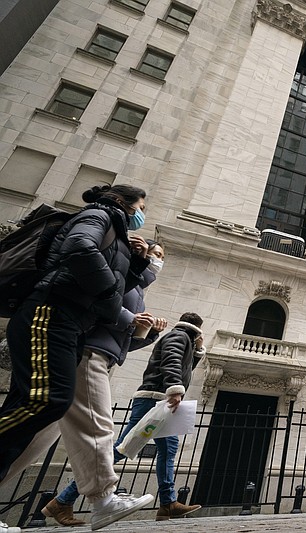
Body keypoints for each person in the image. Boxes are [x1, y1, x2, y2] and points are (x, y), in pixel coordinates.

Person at [0, 185, 160, 526]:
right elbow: (79, 248)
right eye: (140, 207)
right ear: (123, 202)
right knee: (45, 402)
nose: (141, 215)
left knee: (34, 409)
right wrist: (109, 294)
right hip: (51, 312)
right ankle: (103, 499)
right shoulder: (99, 215)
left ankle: (103, 500)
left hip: (70, 322)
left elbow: (116, 285)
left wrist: (138, 262)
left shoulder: (116, 235)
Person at [28, 240, 167, 527]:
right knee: (99, 426)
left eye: (161, 257)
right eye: (154, 254)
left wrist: (149, 333)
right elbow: (99, 301)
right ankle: (103, 499)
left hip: (100, 354)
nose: (156, 261)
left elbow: (124, 340)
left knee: (39, 433)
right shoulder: (122, 274)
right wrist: (131, 318)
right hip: (87, 352)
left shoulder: (137, 288)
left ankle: (72, 501)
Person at [113, 313, 206, 521]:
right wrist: (174, 388)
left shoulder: (184, 339)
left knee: (168, 449)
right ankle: (65, 499)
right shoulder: (179, 336)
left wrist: (198, 350)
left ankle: (168, 504)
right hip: (154, 400)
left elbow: (184, 367)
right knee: (124, 447)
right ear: (198, 327)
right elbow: (172, 359)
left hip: (161, 402)